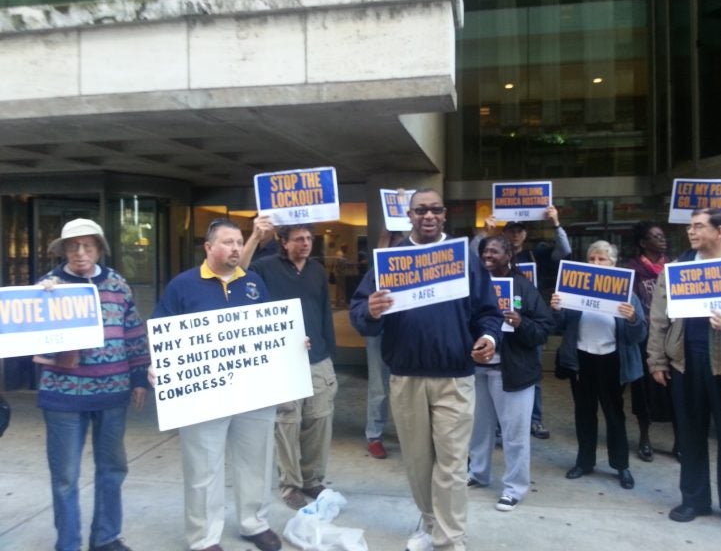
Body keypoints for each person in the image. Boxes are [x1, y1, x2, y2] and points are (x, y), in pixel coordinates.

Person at [349, 188, 502, 551]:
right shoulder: (391, 260)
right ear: (409, 215)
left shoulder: (464, 257)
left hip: (454, 377)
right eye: (421, 211)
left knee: (450, 465)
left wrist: (490, 338)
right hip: (406, 378)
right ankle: (430, 522)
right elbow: (360, 312)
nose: (428, 216)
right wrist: (369, 311)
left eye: (435, 210)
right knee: (418, 464)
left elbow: (489, 312)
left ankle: (450, 540)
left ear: (444, 214)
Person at [152, 218, 281, 551]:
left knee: (256, 460)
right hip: (203, 395)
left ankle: (254, 523)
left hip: (253, 391)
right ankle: (204, 537)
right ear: (209, 248)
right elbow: (161, 330)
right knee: (203, 467)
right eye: (227, 242)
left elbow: (270, 328)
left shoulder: (253, 282)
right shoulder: (183, 285)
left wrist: (292, 342)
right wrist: (156, 365)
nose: (236, 248)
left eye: (239, 242)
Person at [647, 208, 721, 537]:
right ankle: (694, 500)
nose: (691, 232)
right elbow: (659, 319)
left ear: (720, 232)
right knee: (690, 437)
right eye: (690, 227)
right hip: (687, 365)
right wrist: (657, 361)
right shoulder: (677, 271)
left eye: (699, 226)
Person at [33, 218, 150, 551]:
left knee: (112, 468)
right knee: (66, 476)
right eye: (73, 246)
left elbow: (133, 332)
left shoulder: (117, 284)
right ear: (64, 250)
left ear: (99, 248)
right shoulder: (47, 287)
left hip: (113, 393)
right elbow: (33, 343)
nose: (80, 253)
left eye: (87, 246)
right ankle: (68, 543)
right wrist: (44, 307)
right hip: (63, 397)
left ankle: (106, 537)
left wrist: (140, 375)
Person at [250, 223, 338, 511]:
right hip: (282, 361)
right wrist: (254, 237)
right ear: (283, 242)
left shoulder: (316, 270)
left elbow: (325, 310)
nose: (305, 243)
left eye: (309, 238)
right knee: (287, 425)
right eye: (298, 239)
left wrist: (328, 350)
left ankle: (312, 479)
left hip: (317, 359)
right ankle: (290, 485)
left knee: (319, 421)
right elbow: (236, 275)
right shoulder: (264, 268)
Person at [467, 235, 555, 512]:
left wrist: (520, 323)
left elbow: (544, 330)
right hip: (478, 370)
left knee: (514, 434)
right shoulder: (474, 286)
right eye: (484, 251)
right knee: (478, 431)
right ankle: (478, 474)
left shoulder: (524, 287)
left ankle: (515, 487)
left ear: (509, 256)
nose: (487, 255)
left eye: (494, 250)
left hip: (514, 373)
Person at [551, 240, 645, 490]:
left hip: (612, 360)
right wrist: (558, 309)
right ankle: (584, 462)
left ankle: (621, 465)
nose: (596, 263)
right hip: (582, 359)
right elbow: (559, 326)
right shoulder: (575, 290)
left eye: (602, 259)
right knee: (584, 414)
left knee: (615, 416)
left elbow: (639, 336)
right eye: (592, 259)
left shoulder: (628, 295)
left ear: (614, 263)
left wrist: (633, 317)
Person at [494, 205, 571, 440]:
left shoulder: (536, 254)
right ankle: (500, 424)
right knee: (498, 376)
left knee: (532, 373)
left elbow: (565, 252)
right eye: (511, 230)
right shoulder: (494, 257)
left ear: (525, 234)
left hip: (529, 322)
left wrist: (555, 224)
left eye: (520, 230)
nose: (515, 234)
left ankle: (535, 420)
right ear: (504, 233)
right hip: (501, 321)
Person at [623, 221, 677, 462]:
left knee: (676, 393)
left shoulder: (676, 268)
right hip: (645, 340)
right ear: (643, 243)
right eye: (655, 236)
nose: (662, 240)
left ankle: (680, 441)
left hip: (674, 339)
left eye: (663, 236)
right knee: (644, 393)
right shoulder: (632, 270)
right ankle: (645, 438)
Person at [364, 230, 404, 460]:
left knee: (404, 388)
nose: (397, 250)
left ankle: (406, 434)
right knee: (379, 387)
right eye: (393, 245)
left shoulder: (413, 270)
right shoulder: (376, 272)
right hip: (379, 333)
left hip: (404, 334)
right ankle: (374, 436)